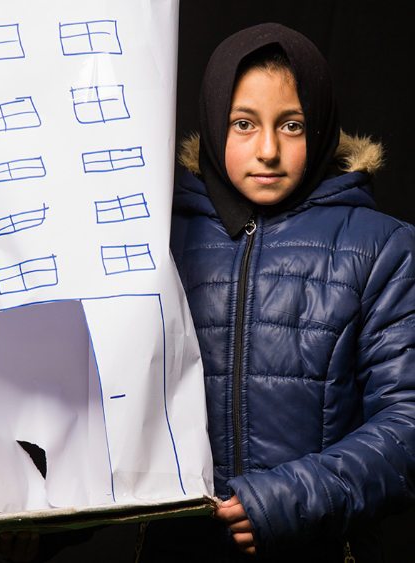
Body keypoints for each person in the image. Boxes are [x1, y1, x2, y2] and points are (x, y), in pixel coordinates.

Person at [146, 23, 415, 561]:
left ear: (318, 128)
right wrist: (42, 528)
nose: (267, 149)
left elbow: (407, 424)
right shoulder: (157, 240)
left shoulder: (384, 248)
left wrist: (290, 500)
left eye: (290, 125)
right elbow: (108, 415)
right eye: (243, 123)